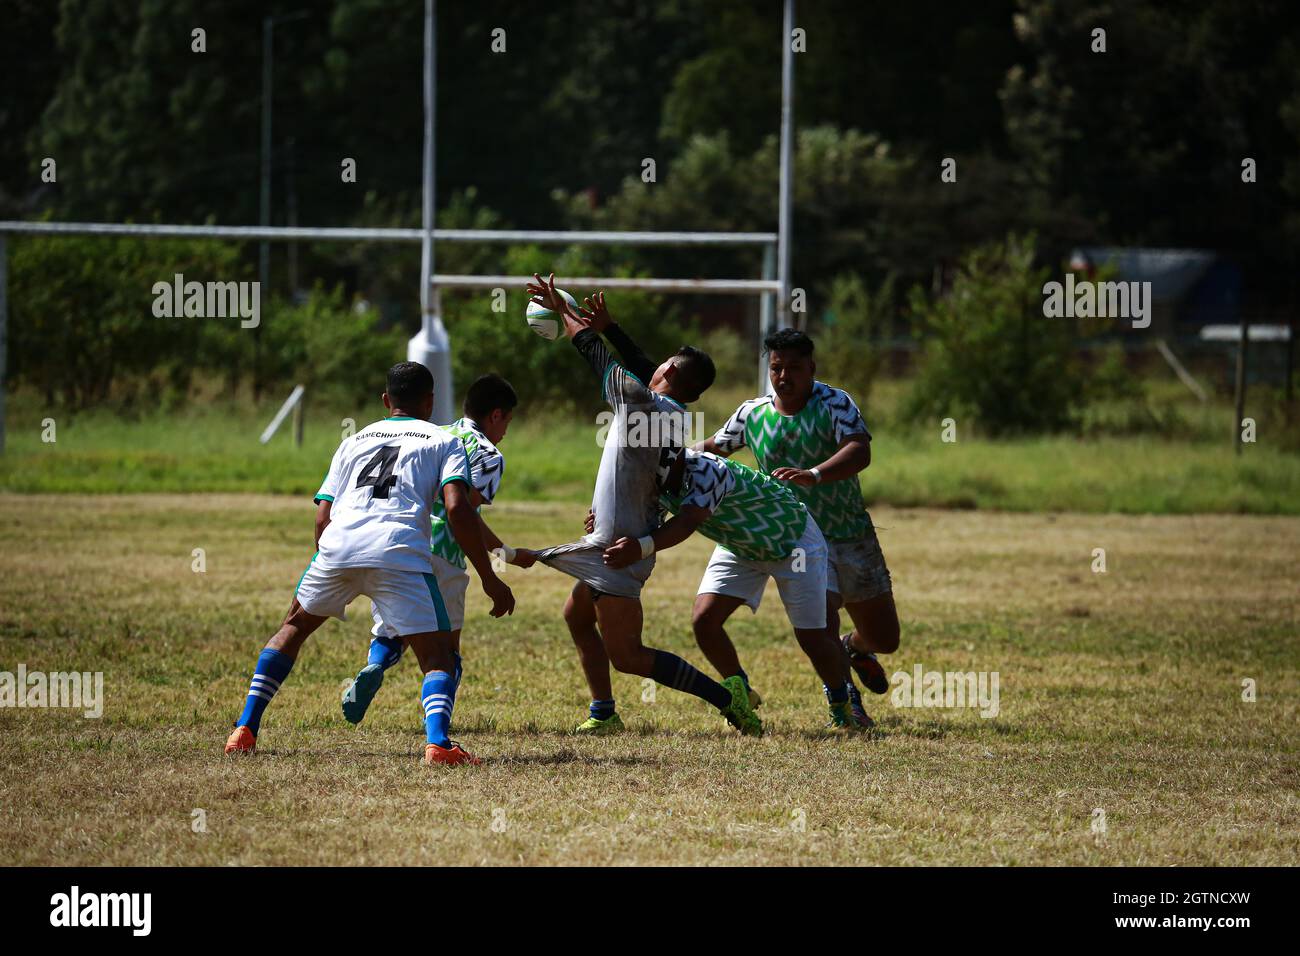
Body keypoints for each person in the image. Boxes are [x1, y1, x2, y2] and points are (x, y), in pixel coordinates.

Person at [223, 362, 515, 766]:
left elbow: (323, 516)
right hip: (400, 551)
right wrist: (490, 577)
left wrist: (331, 561)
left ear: (385, 400)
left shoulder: (353, 440)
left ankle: (245, 728)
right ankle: (438, 744)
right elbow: (457, 510)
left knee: (292, 627)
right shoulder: (442, 440)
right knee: (438, 656)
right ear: (430, 402)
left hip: (339, 545)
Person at [520, 273, 761, 736]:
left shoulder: (641, 406)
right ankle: (604, 711)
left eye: (663, 366)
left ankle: (724, 697)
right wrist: (611, 326)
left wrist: (563, 309)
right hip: (614, 535)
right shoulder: (671, 412)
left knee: (629, 656)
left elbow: (595, 356)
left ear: (667, 375)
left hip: (620, 548)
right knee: (575, 616)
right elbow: (648, 368)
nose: (653, 368)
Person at [694, 328, 899, 726]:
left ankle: (855, 649)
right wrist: (666, 455)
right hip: (793, 536)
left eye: (794, 368)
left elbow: (860, 449)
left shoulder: (834, 403)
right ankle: (846, 702)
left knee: (885, 638)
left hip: (848, 533)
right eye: (776, 368)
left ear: (811, 369)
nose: (784, 376)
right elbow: (714, 447)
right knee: (821, 617)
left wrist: (815, 474)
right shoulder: (752, 412)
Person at [582, 446, 859, 732]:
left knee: (812, 636)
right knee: (705, 621)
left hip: (792, 542)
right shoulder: (656, 479)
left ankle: (842, 704)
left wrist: (641, 547)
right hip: (739, 547)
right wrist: (603, 525)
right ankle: (740, 691)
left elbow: (688, 520)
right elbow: (643, 523)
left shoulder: (706, 469)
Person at [339, 373, 528, 729]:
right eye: (508, 423)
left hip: (406, 544)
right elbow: (462, 512)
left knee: (392, 629)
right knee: (447, 650)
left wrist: (506, 551)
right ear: (496, 415)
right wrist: (498, 564)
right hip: (447, 553)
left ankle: (376, 665)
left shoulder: (436, 434)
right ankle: (439, 727)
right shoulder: (489, 455)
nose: (506, 432)